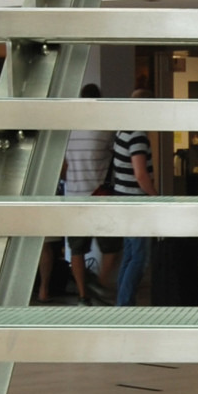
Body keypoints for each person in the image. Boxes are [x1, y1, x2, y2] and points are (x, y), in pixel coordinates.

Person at [40, 83, 113, 302]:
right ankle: (98, 284)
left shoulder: (68, 131)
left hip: (73, 195)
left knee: (77, 250)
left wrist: (69, 179)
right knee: (113, 246)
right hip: (99, 195)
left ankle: (83, 294)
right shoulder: (105, 128)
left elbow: (62, 167)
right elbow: (115, 155)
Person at [112, 85, 156, 305]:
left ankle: (123, 303)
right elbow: (140, 174)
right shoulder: (138, 135)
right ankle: (125, 303)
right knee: (140, 258)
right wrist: (156, 196)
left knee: (129, 255)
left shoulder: (122, 131)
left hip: (121, 198)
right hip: (135, 202)